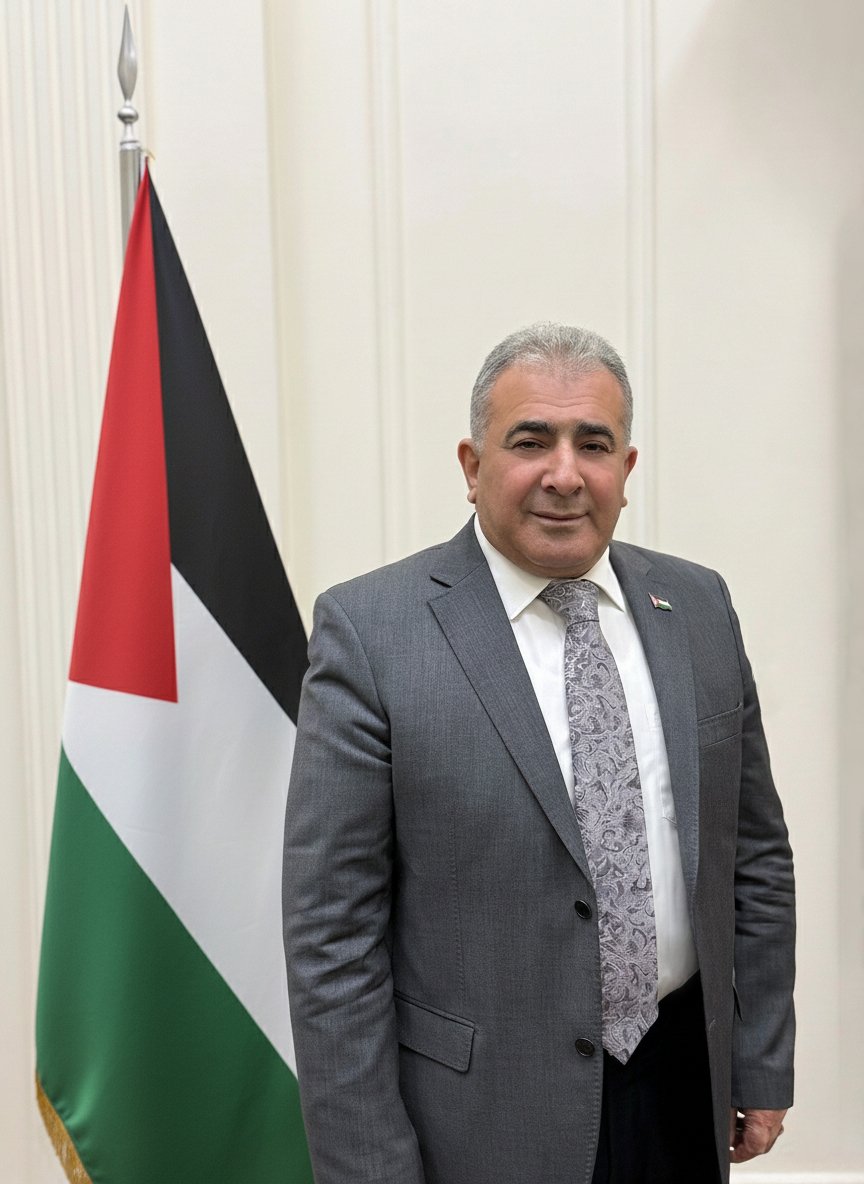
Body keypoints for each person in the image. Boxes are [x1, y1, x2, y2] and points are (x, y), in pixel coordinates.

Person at [282, 323, 795, 1184]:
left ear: (626, 468)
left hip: (681, 1089)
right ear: (472, 464)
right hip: (481, 1123)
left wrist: (761, 1058)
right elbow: (332, 940)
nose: (564, 474)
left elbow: (756, 857)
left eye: (593, 444)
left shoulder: (699, 606)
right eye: (530, 442)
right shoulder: (371, 634)